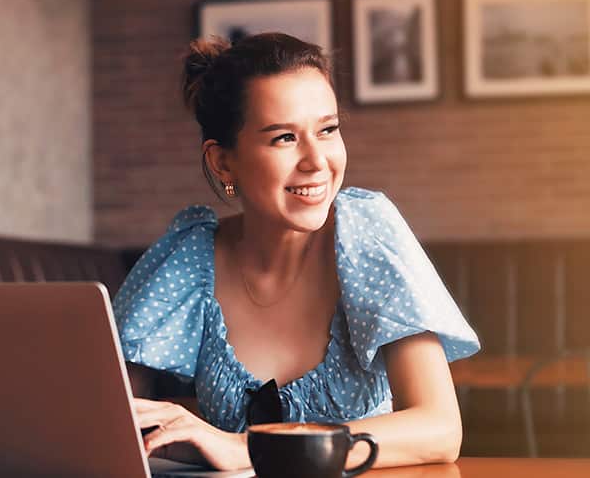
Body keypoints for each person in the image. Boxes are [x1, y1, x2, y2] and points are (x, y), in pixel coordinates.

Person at [112, 32, 480, 471]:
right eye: (284, 138)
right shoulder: (188, 257)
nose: (316, 161)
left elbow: (439, 430)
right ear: (222, 162)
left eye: (327, 130)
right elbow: (107, 420)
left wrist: (243, 447)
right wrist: (180, 434)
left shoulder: (368, 235)